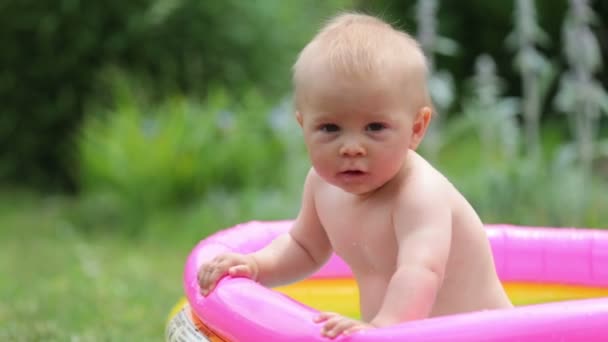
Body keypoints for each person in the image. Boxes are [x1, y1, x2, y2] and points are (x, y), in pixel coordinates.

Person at [198, 12, 513, 339]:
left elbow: (421, 270)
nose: (351, 147)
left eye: (375, 128)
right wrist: (256, 266)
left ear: (416, 129)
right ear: (303, 126)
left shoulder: (419, 194)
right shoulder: (322, 186)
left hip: (483, 335)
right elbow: (303, 247)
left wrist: (383, 327)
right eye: (330, 128)